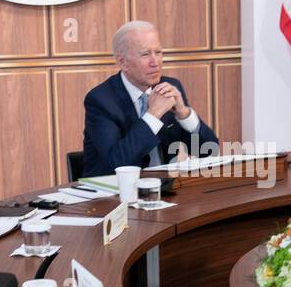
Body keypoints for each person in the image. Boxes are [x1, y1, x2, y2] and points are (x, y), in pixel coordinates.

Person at [82, 20, 220, 176]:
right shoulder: (101, 100)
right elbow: (117, 162)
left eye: (159, 52)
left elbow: (209, 151)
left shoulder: (169, 88)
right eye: (145, 54)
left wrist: (184, 114)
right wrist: (153, 115)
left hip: (163, 189)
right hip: (110, 193)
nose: (155, 62)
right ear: (123, 62)